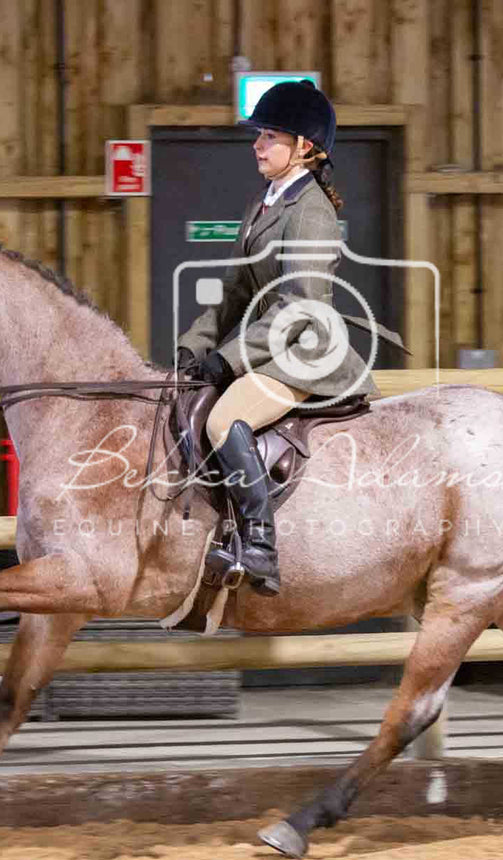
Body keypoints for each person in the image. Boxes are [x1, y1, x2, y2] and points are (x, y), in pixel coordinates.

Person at [175, 79, 402, 597]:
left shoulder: (312, 211)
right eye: (258, 135)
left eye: (270, 135)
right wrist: (197, 344)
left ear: (304, 147)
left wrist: (230, 360)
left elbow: (299, 306)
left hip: (305, 352)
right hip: (271, 345)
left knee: (225, 418)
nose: (257, 144)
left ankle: (259, 546)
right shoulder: (265, 201)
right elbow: (233, 289)